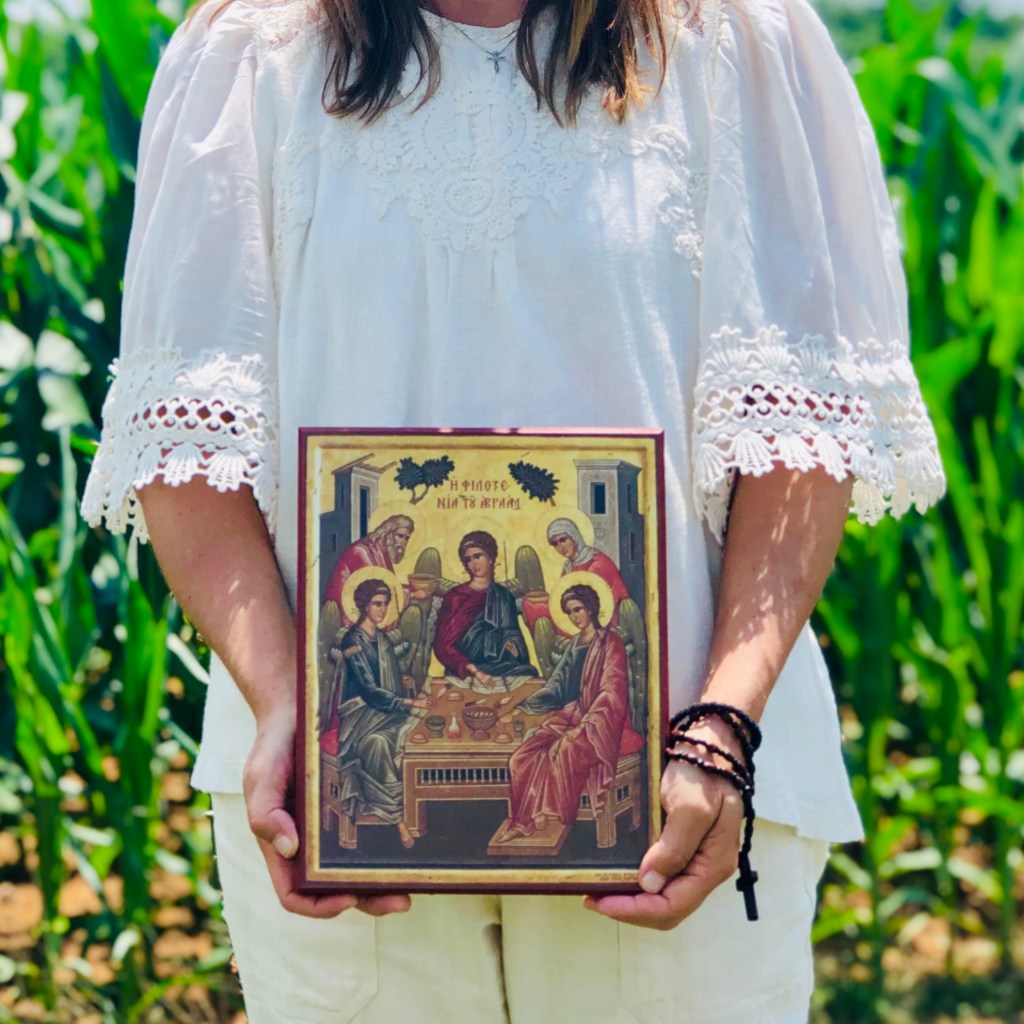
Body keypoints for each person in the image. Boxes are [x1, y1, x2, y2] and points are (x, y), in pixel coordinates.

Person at [80, 0, 946, 1019]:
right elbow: (189, 453)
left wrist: (721, 726)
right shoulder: (247, 54)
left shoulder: (740, 40)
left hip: (685, 796)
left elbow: (803, 436)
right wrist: (287, 706)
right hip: (339, 801)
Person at [496, 584, 630, 845]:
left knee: (564, 749)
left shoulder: (610, 643)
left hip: (598, 723)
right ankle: (523, 822)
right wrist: (521, 708)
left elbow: (612, 692)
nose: (574, 617)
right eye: (569, 612)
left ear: (590, 608)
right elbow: (555, 686)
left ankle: (553, 819)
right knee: (521, 758)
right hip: (567, 717)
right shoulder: (574, 644)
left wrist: (586, 724)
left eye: (578, 609)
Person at [321, 578, 430, 848]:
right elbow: (368, 689)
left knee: (415, 733)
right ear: (364, 605)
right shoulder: (352, 640)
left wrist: (403, 683)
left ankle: (414, 808)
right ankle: (398, 819)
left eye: (385, 604)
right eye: (376, 604)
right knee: (378, 743)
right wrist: (409, 702)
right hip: (360, 716)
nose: (382, 610)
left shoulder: (381, 638)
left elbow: (387, 677)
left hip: (388, 712)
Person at [433, 530, 539, 682]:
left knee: (529, 672)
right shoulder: (455, 597)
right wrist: (471, 669)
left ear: (490, 558)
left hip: (500, 665)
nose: (474, 563)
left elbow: (512, 633)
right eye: (468, 559)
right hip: (465, 668)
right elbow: (443, 645)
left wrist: (514, 647)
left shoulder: (503, 595)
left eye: (478, 556)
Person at [523, 517, 632, 630]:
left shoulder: (597, 563)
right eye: (555, 543)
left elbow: (592, 602)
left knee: (539, 615)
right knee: (529, 605)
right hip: (574, 614)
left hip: (598, 620)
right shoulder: (569, 566)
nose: (560, 547)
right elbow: (563, 595)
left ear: (574, 537)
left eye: (563, 540)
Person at [322, 514, 415, 616]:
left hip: (369, 605)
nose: (403, 542)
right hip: (346, 610)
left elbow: (391, 583)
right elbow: (377, 586)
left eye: (406, 538)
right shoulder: (362, 551)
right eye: (400, 536)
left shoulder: (383, 553)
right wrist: (412, 594)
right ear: (388, 533)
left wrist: (412, 589)